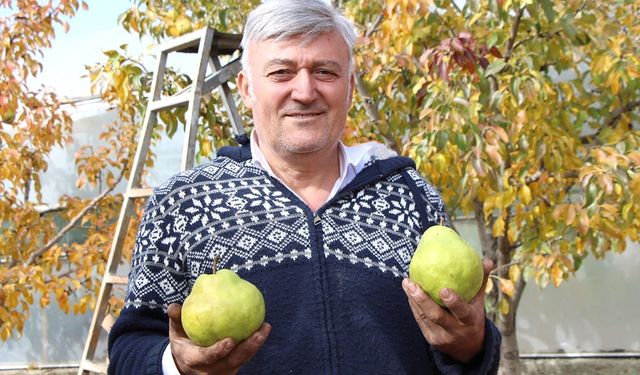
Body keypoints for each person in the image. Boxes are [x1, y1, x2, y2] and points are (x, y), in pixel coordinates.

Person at [107, 0, 502, 374]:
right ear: (246, 88)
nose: (305, 91)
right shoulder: (183, 202)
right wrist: (178, 365)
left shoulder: (410, 194)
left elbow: (462, 345)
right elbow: (129, 349)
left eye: (325, 72)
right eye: (281, 72)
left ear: (348, 87)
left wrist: (473, 344)